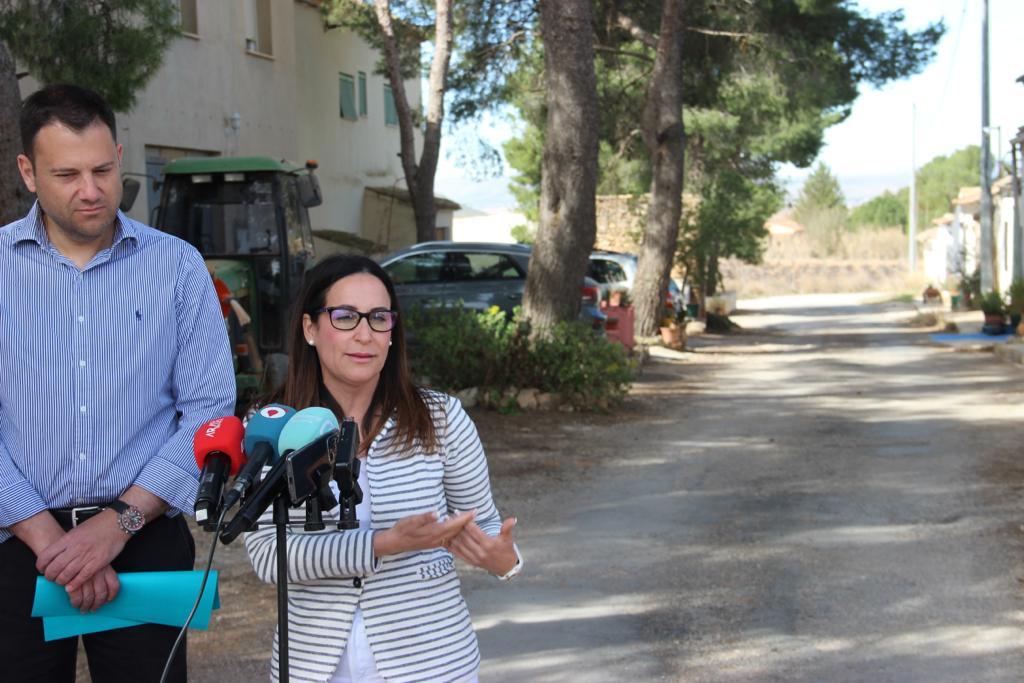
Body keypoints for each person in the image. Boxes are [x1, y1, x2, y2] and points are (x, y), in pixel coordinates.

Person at [0, 84, 235, 682]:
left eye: (103, 169)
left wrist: (115, 527)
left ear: (120, 156)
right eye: (68, 173)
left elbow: (209, 410)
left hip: (144, 539)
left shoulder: (178, 265)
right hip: (15, 543)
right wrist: (53, 542)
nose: (91, 190)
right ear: (28, 171)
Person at [244, 254, 523, 683]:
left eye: (378, 318)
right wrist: (382, 544)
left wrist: (505, 560)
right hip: (312, 667)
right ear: (309, 329)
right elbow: (268, 556)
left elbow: (484, 526)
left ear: (392, 332)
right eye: (344, 317)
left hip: (434, 665)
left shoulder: (441, 418)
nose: (364, 334)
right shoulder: (273, 424)